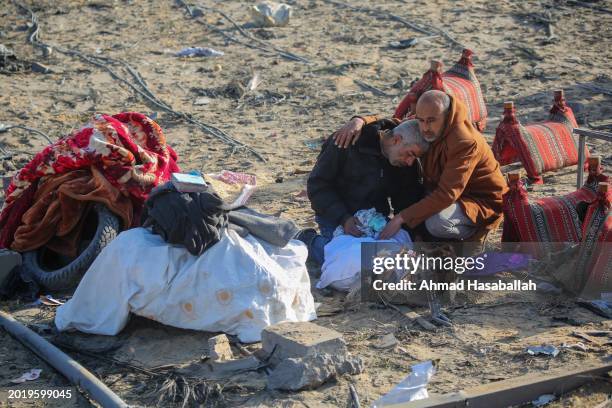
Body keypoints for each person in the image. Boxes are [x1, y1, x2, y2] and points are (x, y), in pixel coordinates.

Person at [334, 90, 508, 243]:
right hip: (445, 194)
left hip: (479, 201)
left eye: (431, 120)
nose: (424, 128)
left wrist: (400, 218)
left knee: (436, 222)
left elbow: (447, 194)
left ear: (447, 116)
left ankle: (473, 236)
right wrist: (360, 120)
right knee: (418, 213)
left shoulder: (464, 142)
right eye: (421, 120)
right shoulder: (428, 126)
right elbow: (395, 125)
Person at [298, 119, 428, 266]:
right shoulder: (347, 140)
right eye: (410, 154)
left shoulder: (404, 163)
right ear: (396, 140)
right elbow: (318, 185)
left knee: (393, 259)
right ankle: (308, 240)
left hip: (375, 221)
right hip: (335, 217)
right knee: (347, 261)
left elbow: (407, 200)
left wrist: (414, 233)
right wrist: (344, 218)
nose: (410, 162)